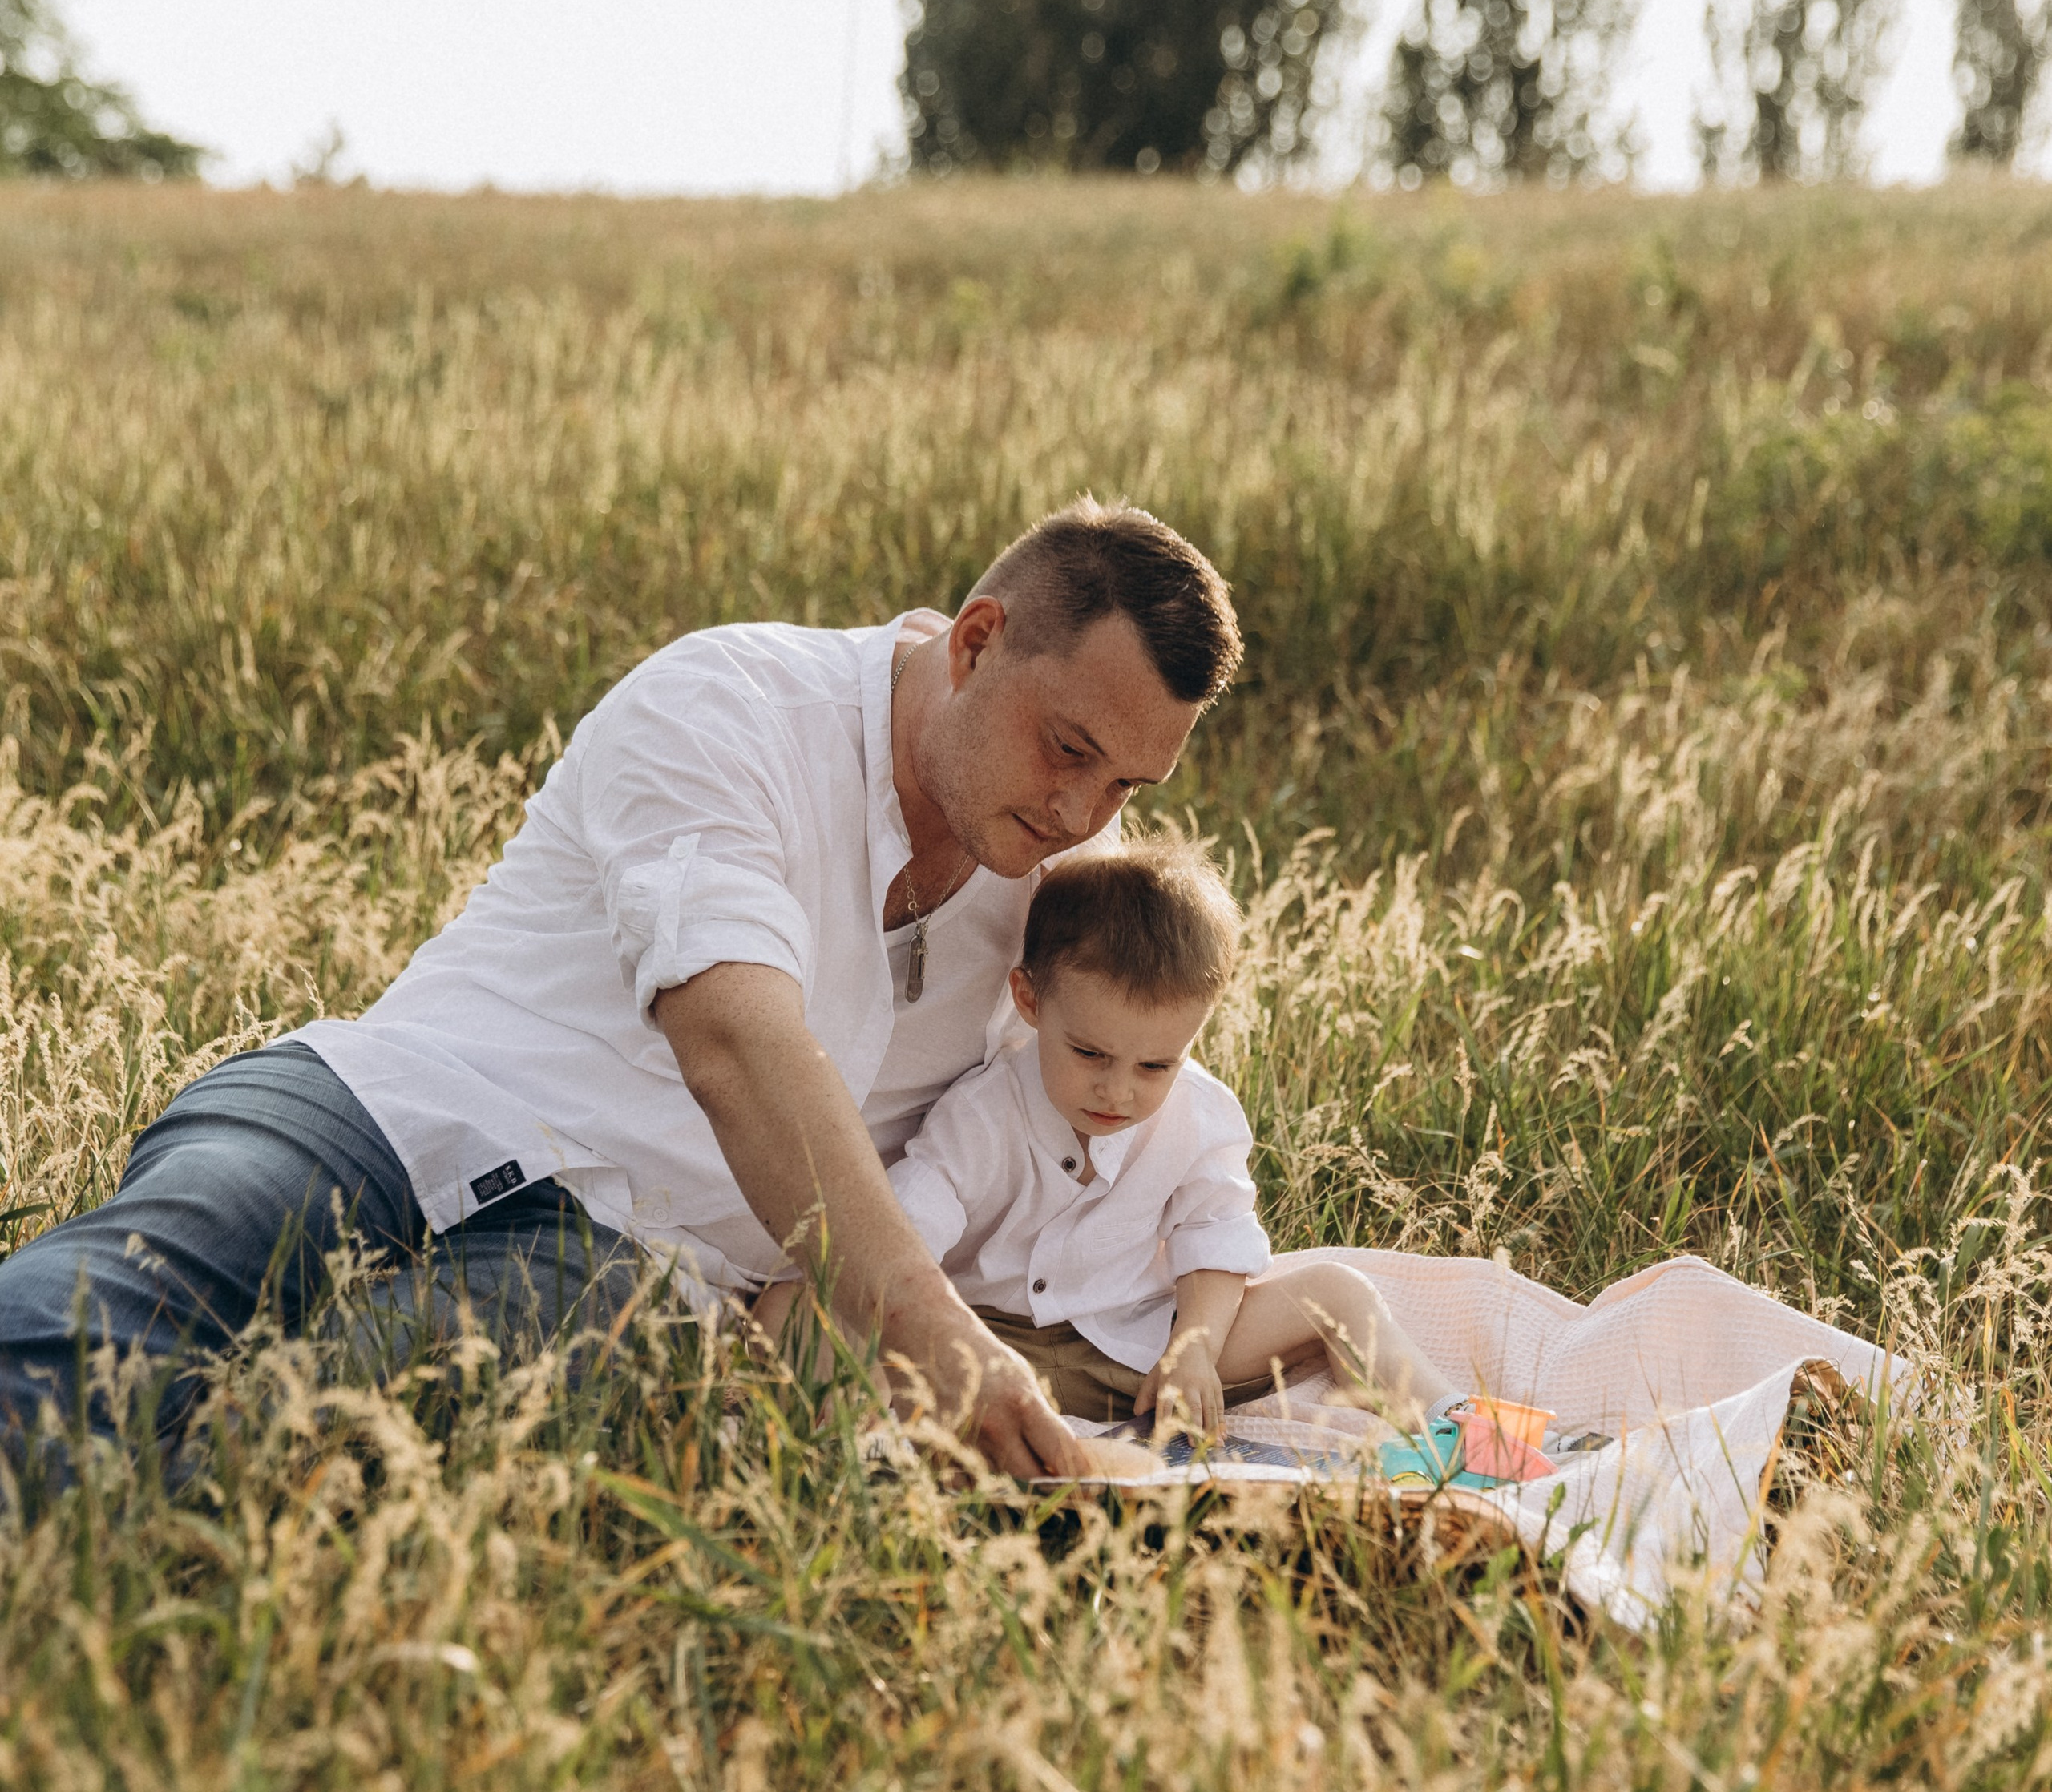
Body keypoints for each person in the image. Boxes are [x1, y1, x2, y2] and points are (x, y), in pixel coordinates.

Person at [0, 499, 1241, 1488]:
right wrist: (934, 1335)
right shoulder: (733, 705)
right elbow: (733, 1038)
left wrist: (1199, 1327)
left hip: (624, 1259)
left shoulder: (1059, 900)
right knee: (126, 1294)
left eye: (1129, 787)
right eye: (1069, 749)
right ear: (974, 644)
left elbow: (1143, 1114)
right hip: (383, 1105)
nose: (1083, 814)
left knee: (291, 1435)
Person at [858, 840, 1451, 1441]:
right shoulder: (981, 1116)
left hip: (1140, 1344)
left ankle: (1452, 1424)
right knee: (838, 1329)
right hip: (988, 1348)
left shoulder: (1200, 1113)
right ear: (1030, 1000)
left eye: (1154, 1067)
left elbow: (1212, 1233)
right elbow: (903, 1234)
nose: (1118, 1092)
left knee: (1337, 1293)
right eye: (1090, 1054)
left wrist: (1193, 1348)